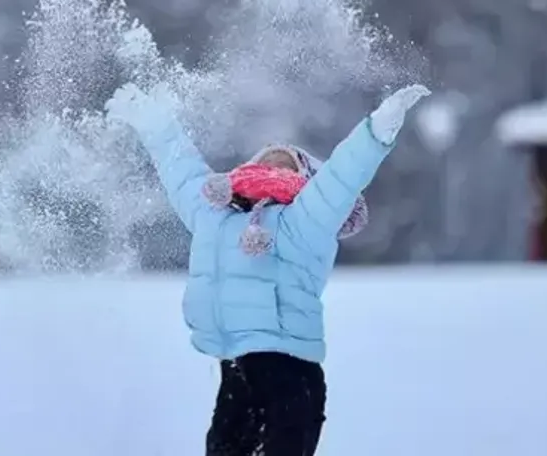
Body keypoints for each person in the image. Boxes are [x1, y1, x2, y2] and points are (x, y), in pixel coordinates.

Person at [105, 81, 431, 456]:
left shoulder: (306, 218)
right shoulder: (214, 214)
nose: (273, 165)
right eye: (265, 160)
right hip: (234, 370)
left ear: (307, 179)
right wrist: (155, 124)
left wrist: (377, 131)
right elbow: (182, 171)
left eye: (286, 163)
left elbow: (343, 175)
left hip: (290, 374)